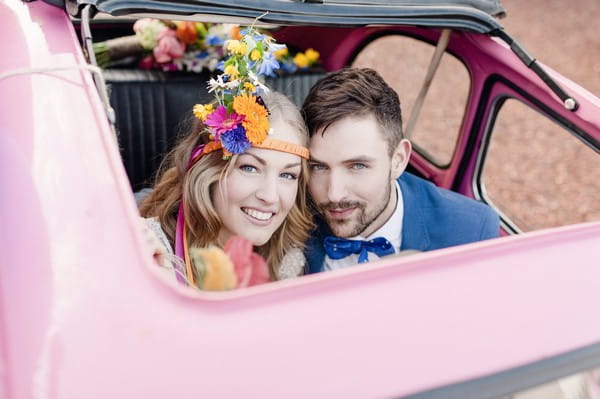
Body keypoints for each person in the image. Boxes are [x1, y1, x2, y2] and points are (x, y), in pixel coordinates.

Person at [139, 28, 313, 285]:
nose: (270, 196)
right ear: (209, 169)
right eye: (250, 168)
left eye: (287, 174)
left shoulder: (290, 258)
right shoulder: (148, 249)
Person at [301, 67, 500, 274]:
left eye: (357, 166)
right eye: (318, 167)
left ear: (398, 160)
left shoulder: (472, 230)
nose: (334, 194)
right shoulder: (286, 217)